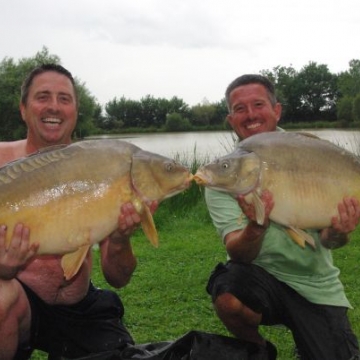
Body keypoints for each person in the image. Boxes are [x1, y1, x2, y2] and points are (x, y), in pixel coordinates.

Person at [0, 64, 155, 359]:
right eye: (43, 96)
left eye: (64, 99)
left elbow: (119, 277)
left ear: (75, 110)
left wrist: (121, 238)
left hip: (79, 304)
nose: (54, 107)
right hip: (20, 304)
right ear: (22, 108)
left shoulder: (102, 167)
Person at [205, 74, 360, 360]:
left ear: (276, 110)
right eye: (240, 109)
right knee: (227, 289)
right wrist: (256, 225)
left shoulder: (306, 152)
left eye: (258, 104)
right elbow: (238, 253)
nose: (250, 115)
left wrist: (340, 229)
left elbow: (329, 241)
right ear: (230, 120)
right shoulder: (226, 176)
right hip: (261, 279)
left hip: (315, 284)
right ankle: (259, 350)